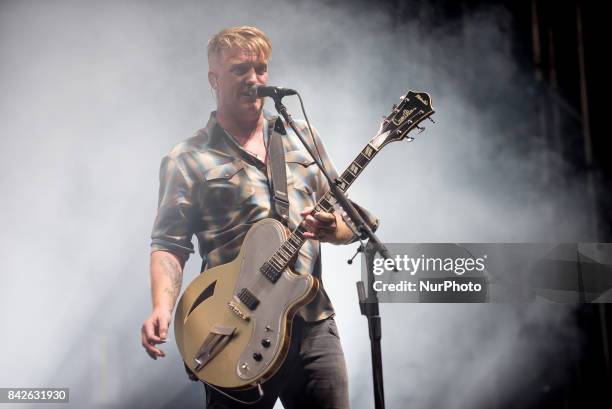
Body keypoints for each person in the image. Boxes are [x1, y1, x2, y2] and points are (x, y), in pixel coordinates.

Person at [140, 26, 377, 409]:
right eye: (240, 70)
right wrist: (162, 307)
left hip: (311, 319)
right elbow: (169, 243)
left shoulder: (302, 138)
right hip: (235, 327)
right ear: (213, 79)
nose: (254, 79)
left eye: (261, 69)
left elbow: (350, 221)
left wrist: (334, 228)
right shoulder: (188, 158)